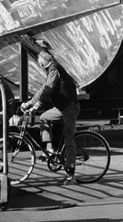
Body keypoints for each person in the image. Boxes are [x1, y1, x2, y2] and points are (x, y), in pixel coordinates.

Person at [21, 44, 80, 183]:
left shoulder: (54, 70)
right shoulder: (52, 71)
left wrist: (37, 105)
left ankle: (71, 175)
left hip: (70, 108)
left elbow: (48, 90)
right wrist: (29, 103)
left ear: (42, 64)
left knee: (69, 141)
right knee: (44, 118)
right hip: (62, 107)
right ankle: (49, 148)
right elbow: (43, 89)